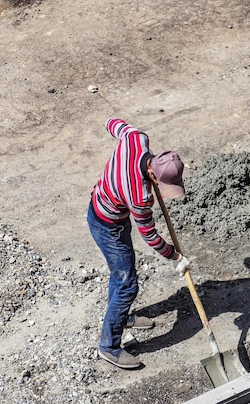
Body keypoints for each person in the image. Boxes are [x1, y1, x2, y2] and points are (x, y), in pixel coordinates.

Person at [87, 117, 191, 369]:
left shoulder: (136, 139)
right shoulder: (139, 195)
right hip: (107, 225)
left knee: (121, 272)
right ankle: (108, 346)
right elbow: (150, 236)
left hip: (105, 209)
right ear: (153, 172)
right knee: (126, 284)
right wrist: (176, 257)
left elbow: (112, 123)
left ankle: (122, 318)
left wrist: (144, 170)